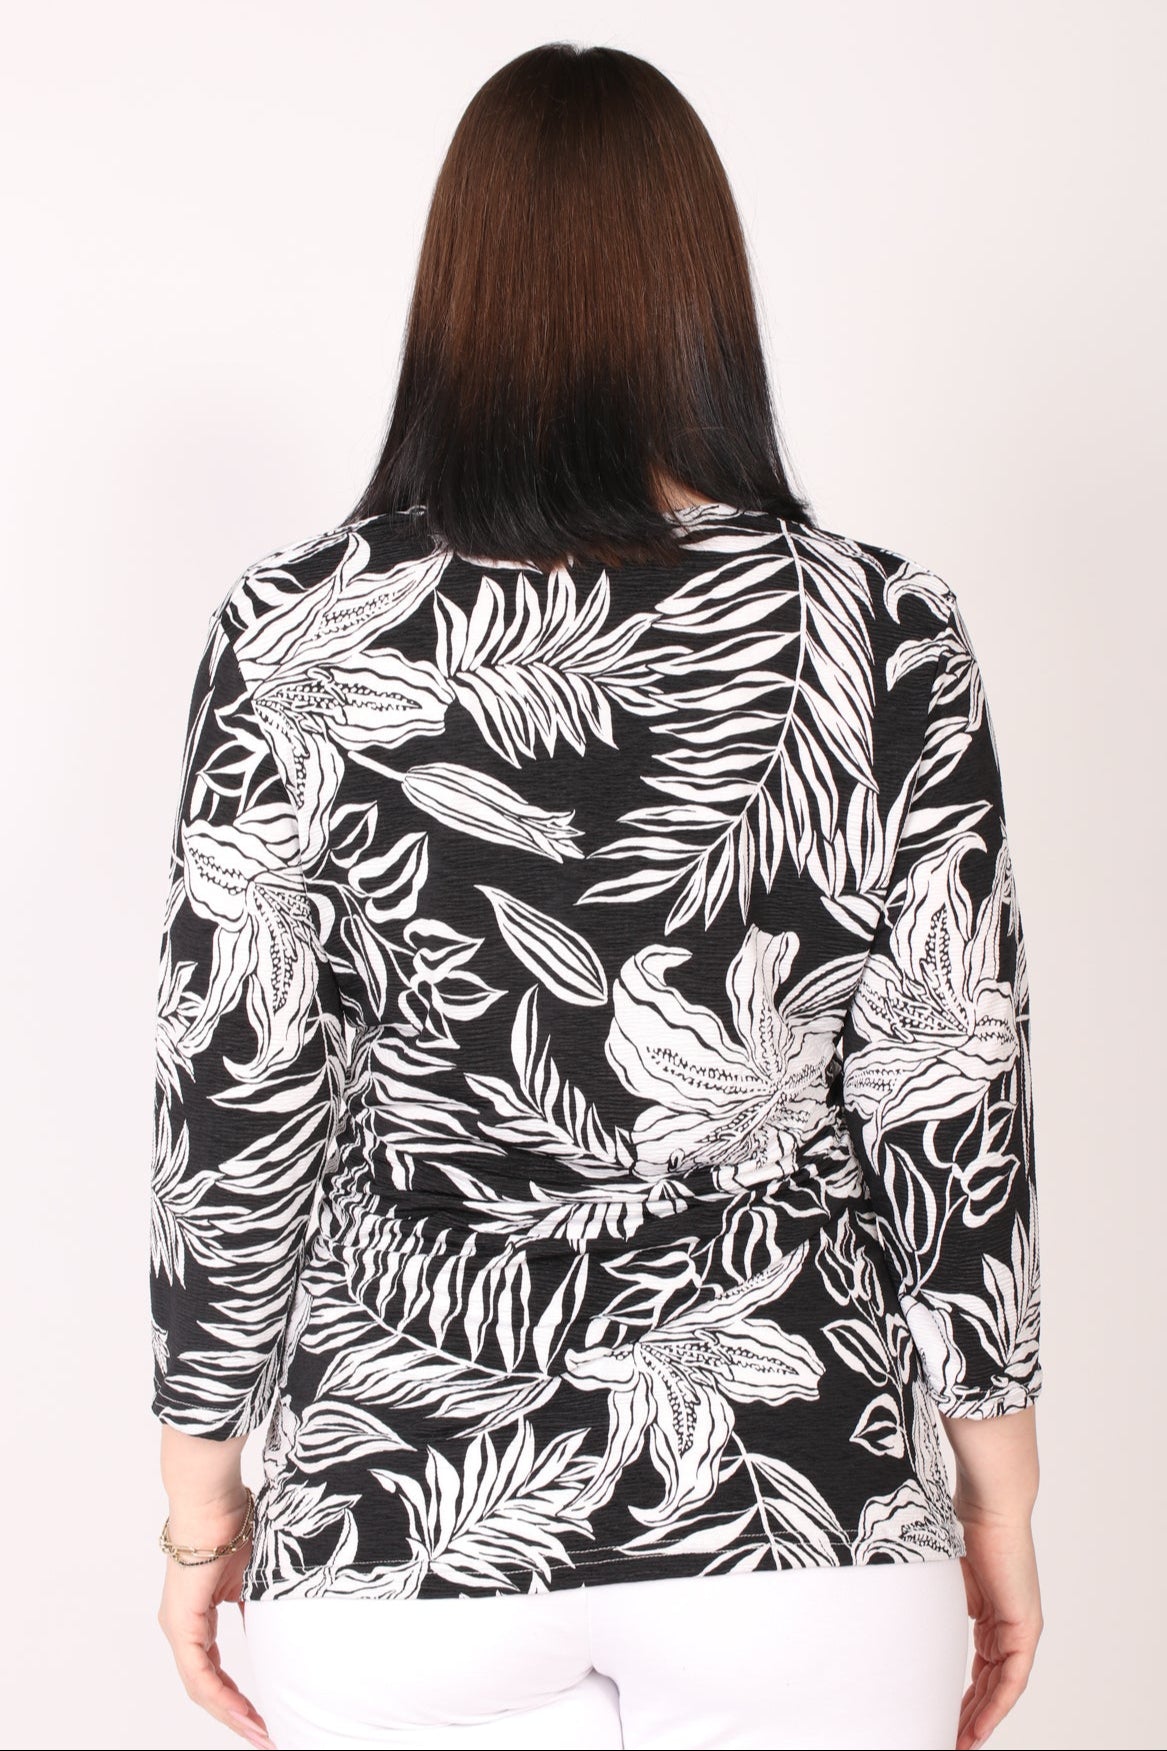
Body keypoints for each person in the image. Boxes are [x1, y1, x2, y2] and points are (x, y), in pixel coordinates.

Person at [151, 41, 1043, 1751]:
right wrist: (999, 1500)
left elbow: (235, 1096)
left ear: (458, 294)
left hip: (402, 1512)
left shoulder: (292, 634)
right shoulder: (885, 630)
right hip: (805, 1501)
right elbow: (951, 1097)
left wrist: (203, 1507)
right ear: (702, 294)